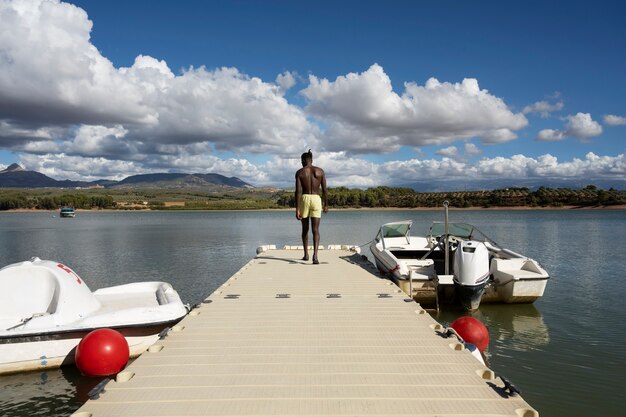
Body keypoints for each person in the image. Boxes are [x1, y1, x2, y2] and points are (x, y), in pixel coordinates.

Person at [295, 149, 328, 264]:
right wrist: (326, 205)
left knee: (305, 229)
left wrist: (297, 209)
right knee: (316, 230)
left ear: (304, 160)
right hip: (316, 199)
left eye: (301, 161)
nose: (301, 163)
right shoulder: (320, 171)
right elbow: (324, 190)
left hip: (305, 198)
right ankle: (315, 256)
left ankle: (306, 255)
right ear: (312, 160)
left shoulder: (300, 172)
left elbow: (298, 192)